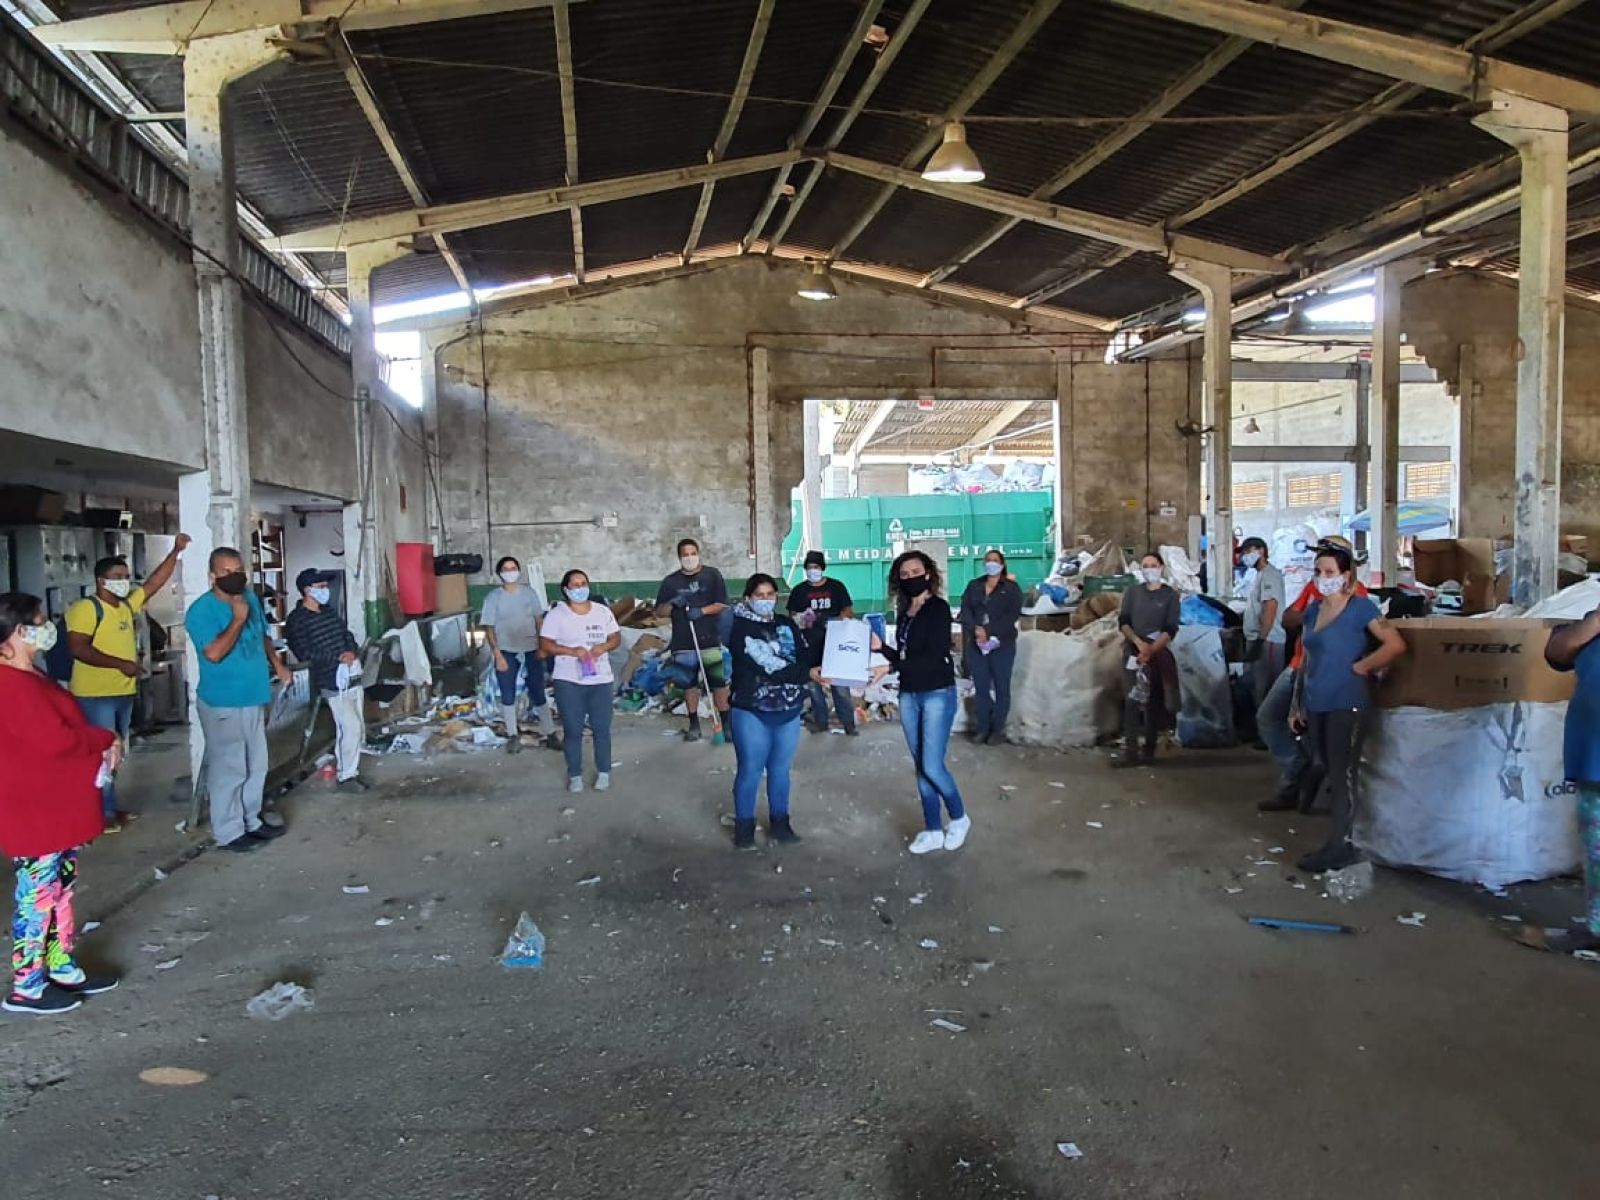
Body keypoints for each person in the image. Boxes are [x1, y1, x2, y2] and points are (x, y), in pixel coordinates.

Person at [0, 592, 122, 1015]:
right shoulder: (9, 685)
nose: (48, 627)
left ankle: (59, 963)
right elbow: (56, 739)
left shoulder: (30, 674)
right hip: (34, 807)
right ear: (19, 632)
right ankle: (27, 985)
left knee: (60, 889)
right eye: (40, 621)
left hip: (55, 803)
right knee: (37, 895)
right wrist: (104, 739)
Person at [1289, 544, 1406, 873]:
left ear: (1345, 575)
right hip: (1317, 700)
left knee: (1342, 774)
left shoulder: (1361, 609)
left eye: (1330, 572)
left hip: (1347, 701)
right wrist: (1297, 704)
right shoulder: (1313, 611)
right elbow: (1307, 660)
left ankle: (1342, 845)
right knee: (1327, 766)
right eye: (1318, 572)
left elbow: (1395, 644)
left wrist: (1362, 667)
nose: (1323, 578)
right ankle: (1339, 839)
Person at [67, 534, 190, 831]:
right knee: (100, 755)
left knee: (114, 754)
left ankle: (109, 808)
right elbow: (79, 648)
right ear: (101, 581)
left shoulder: (124, 607)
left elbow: (153, 583)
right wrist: (120, 664)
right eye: (117, 577)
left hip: (121, 692)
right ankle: (99, 814)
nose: (124, 582)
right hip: (96, 694)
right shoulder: (86, 609)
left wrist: (175, 551)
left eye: (125, 577)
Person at [184, 547, 293, 853]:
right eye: (226, 571)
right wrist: (236, 620)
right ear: (212, 575)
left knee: (256, 764)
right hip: (223, 701)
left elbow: (261, 635)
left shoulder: (249, 599)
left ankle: (251, 820)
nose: (234, 576)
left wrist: (278, 664)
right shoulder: (201, 611)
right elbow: (214, 653)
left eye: (238, 570)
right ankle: (229, 831)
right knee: (229, 768)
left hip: (253, 694)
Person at [1256, 536, 1368, 812]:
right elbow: (1288, 618)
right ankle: (1296, 767)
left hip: (1327, 673)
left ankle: (1304, 791)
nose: (1321, 572)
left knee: (1319, 736)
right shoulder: (1313, 588)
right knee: (1268, 717)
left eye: (1328, 565)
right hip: (1299, 664)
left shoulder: (1359, 595)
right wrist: (1314, 611)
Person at [871, 551, 970, 855]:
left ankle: (959, 817)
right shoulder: (905, 611)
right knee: (921, 766)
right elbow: (907, 656)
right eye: (904, 574)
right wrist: (882, 648)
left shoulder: (938, 608)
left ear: (928, 574)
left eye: (916, 571)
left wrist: (890, 667)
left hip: (937, 692)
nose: (910, 577)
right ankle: (932, 829)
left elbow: (932, 655)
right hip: (909, 694)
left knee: (931, 764)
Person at [726, 574, 815, 850]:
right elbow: (765, 663)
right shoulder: (739, 628)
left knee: (780, 770)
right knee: (750, 770)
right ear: (748, 598)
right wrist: (807, 674)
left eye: (770, 594)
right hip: (752, 708)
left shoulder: (786, 624)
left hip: (788, 707)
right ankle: (744, 828)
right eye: (759, 595)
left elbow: (804, 654)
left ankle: (780, 824)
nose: (765, 600)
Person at [1542, 607, 1600, 955]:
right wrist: (1596, 621)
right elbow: (1556, 653)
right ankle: (1598, 928)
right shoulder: (1591, 623)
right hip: (1593, 755)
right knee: (1597, 851)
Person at [285, 568, 368, 794]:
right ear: (306, 590)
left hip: (350, 674)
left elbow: (346, 635)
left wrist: (351, 651)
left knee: (355, 726)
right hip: (330, 679)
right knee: (349, 726)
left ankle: (349, 769)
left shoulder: (329, 612)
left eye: (325, 586)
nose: (325, 590)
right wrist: (336, 657)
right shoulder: (297, 620)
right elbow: (304, 653)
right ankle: (346, 775)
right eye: (320, 587)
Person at [539, 570, 621, 794]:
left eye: (583, 583)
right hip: (568, 680)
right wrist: (572, 651)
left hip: (601, 679)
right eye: (575, 585)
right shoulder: (557, 615)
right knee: (573, 729)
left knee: (601, 728)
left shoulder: (602, 612)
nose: (580, 588)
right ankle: (575, 774)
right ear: (566, 589)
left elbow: (615, 637)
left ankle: (603, 772)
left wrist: (603, 647)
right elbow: (545, 644)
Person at [655, 538, 730, 742]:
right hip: (683, 642)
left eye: (692, 553)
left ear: (698, 553)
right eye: (685, 555)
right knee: (689, 685)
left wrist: (701, 611)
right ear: (679, 557)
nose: (689, 558)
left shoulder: (712, 575)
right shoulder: (671, 582)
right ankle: (694, 724)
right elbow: (660, 612)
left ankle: (726, 723)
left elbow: (722, 604)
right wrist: (672, 604)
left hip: (709, 639)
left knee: (718, 683)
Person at [482, 556, 557, 755]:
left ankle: (550, 733)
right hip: (506, 651)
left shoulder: (529, 594)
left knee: (538, 692)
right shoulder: (493, 598)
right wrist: (497, 655)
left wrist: (542, 646)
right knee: (507, 694)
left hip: (531, 650)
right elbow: (489, 628)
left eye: (513, 568)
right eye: (506, 569)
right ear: (500, 574)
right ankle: (513, 735)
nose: (510, 572)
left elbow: (539, 621)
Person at [1114, 552, 1181, 767]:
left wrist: (1152, 649)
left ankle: (1149, 751)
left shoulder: (1170, 596)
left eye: (1153, 565)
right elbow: (1124, 621)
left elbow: (1170, 628)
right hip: (1134, 651)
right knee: (1132, 700)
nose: (1149, 569)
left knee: (1154, 702)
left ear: (1161, 567)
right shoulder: (1133, 593)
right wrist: (1138, 644)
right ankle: (1130, 751)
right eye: (1145, 566)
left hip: (1157, 653)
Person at [957, 549, 1025, 745]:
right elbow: (965, 610)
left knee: (1002, 688)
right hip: (977, 645)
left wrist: (989, 630)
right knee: (981, 688)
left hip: (1002, 645)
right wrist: (975, 629)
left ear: (1002, 564)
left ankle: (997, 730)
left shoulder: (1011, 588)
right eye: (988, 560)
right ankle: (982, 729)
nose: (991, 563)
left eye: (995, 560)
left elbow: (1012, 615)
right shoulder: (974, 586)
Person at [786, 550, 856, 736]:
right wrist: (803, 619)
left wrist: (835, 621)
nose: (813, 571)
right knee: (813, 686)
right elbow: (792, 617)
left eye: (816, 567)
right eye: (809, 567)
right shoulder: (799, 591)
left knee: (839, 686)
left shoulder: (836, 587)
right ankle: (821, 721)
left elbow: (848, 611)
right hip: (808, 646)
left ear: (822, 568)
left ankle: (848, 723)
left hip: (834, 645)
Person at [1238, 536, 1286, 710]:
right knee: (1257, 688)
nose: (1244, 556)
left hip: (1269, 641)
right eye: (1243, 553)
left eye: (1248, 551)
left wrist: (1260, 640)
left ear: (1261, 551)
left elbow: (1270, 608)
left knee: (1268, 690)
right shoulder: (1260, 575)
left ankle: (1268, 725)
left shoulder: (1270, 575)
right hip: (1258, 639)